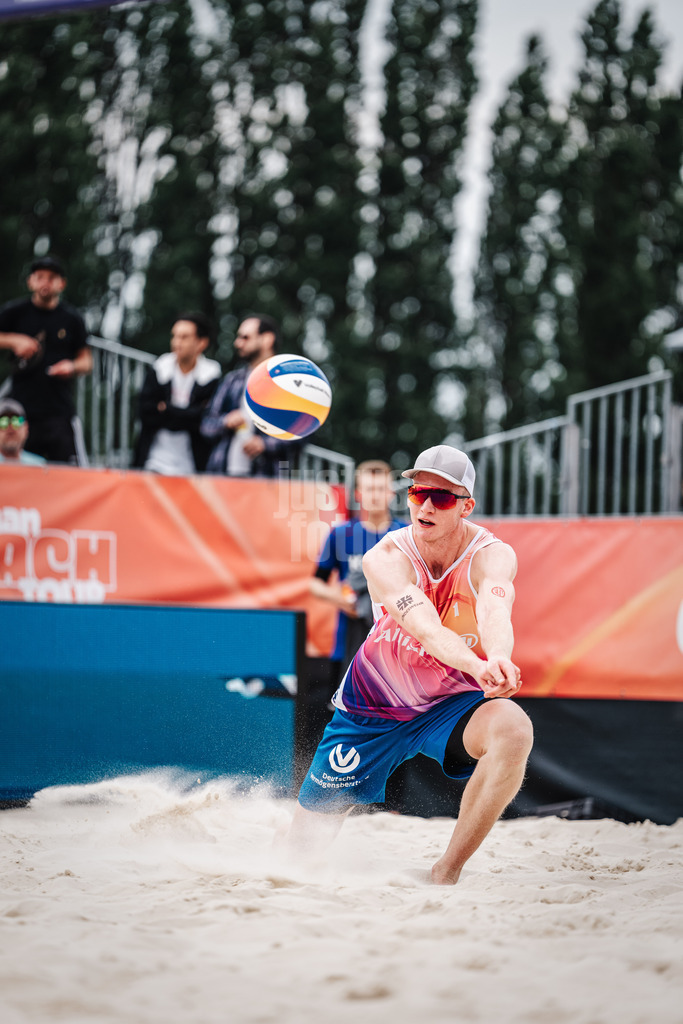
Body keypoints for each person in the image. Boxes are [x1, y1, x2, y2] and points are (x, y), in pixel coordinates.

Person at [286, 444, 534, 885]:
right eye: (418, 493)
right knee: (298, 855)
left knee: (514, 731)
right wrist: (477, 665)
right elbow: (426, 629)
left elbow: (496, 609)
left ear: (466, 506)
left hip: (449, 702)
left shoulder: (492, 554)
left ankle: (446, 871)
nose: (425, 506)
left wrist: (498, 655)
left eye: (441, 498)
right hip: (374, 705)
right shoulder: (384, 557)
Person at [310, 460, 406, 686]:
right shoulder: (341, 534)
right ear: (358, 494)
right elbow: (315, 583)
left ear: (391, 493)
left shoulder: (406, 534)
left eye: (381, 489)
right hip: (348, 641)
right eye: (370, 489)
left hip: (397, 645)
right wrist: (342, 599)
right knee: (343, 703)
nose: (375, 495)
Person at [0, 256, 92, 464]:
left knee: (68, 473)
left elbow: (87, 361)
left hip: (59, 410)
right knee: (22, 471)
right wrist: (14, 340)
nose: (45, 282)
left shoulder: (72, 318)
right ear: (30, 281)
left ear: (61, 283)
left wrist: (71, 366)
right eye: (40, 277)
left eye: (51, 278)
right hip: (22, 414)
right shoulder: (14, 312)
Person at [200, 314, 301, 476]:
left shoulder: (289, 384)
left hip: (265, 478)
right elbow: (206, 424)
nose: (238, 343)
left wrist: (265, 444)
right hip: (222, 475)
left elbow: (302, 430)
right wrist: (226, 421)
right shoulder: (232, 380)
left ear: (267, 339)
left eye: (245, 337)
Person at [133, 312, 221, 475]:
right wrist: (188, 413)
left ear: (201, 343)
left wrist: (166, 409)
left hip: (193, 465)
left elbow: (205, 420)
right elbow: (145, 412)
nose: (176, 342)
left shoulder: (211, 375)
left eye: (184, 337)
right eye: (174, 336)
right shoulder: (159, 368)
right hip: (153, 462)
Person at [0, 398, 46, 465]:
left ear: (26, 428)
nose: (10, 426)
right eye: (3, 421)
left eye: (16, 421)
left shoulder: (39, 465)